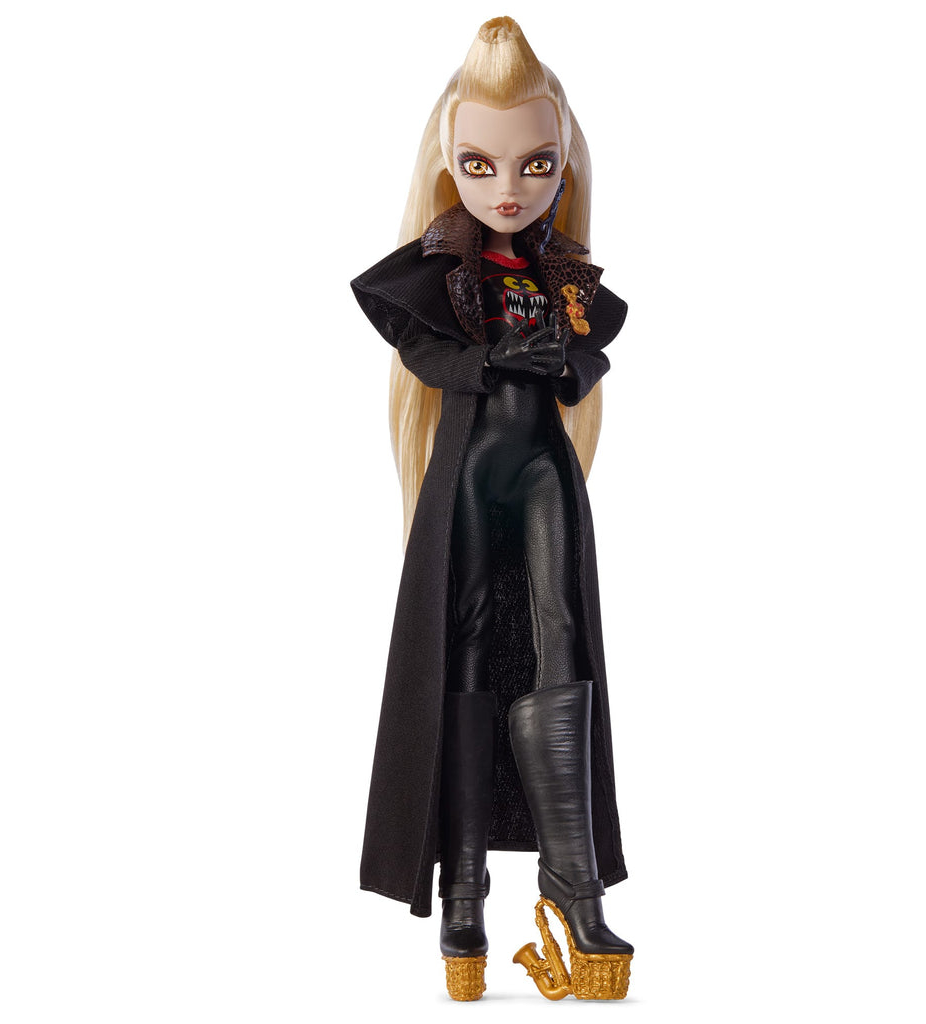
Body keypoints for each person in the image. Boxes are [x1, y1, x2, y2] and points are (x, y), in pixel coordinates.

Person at [351, 17, 633, 1001]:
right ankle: (463, 892)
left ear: (563, 164)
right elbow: (421, 351)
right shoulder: (439, 272)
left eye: (534, 164)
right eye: (479, 164)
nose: (507, 186)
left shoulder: (565, 277)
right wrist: (489, 359)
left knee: (563, 641)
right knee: (466, 648)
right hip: (470, 469)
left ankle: (573, 881)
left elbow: (589, 359)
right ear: (448, 162)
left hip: (545, 470)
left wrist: (556, 361)